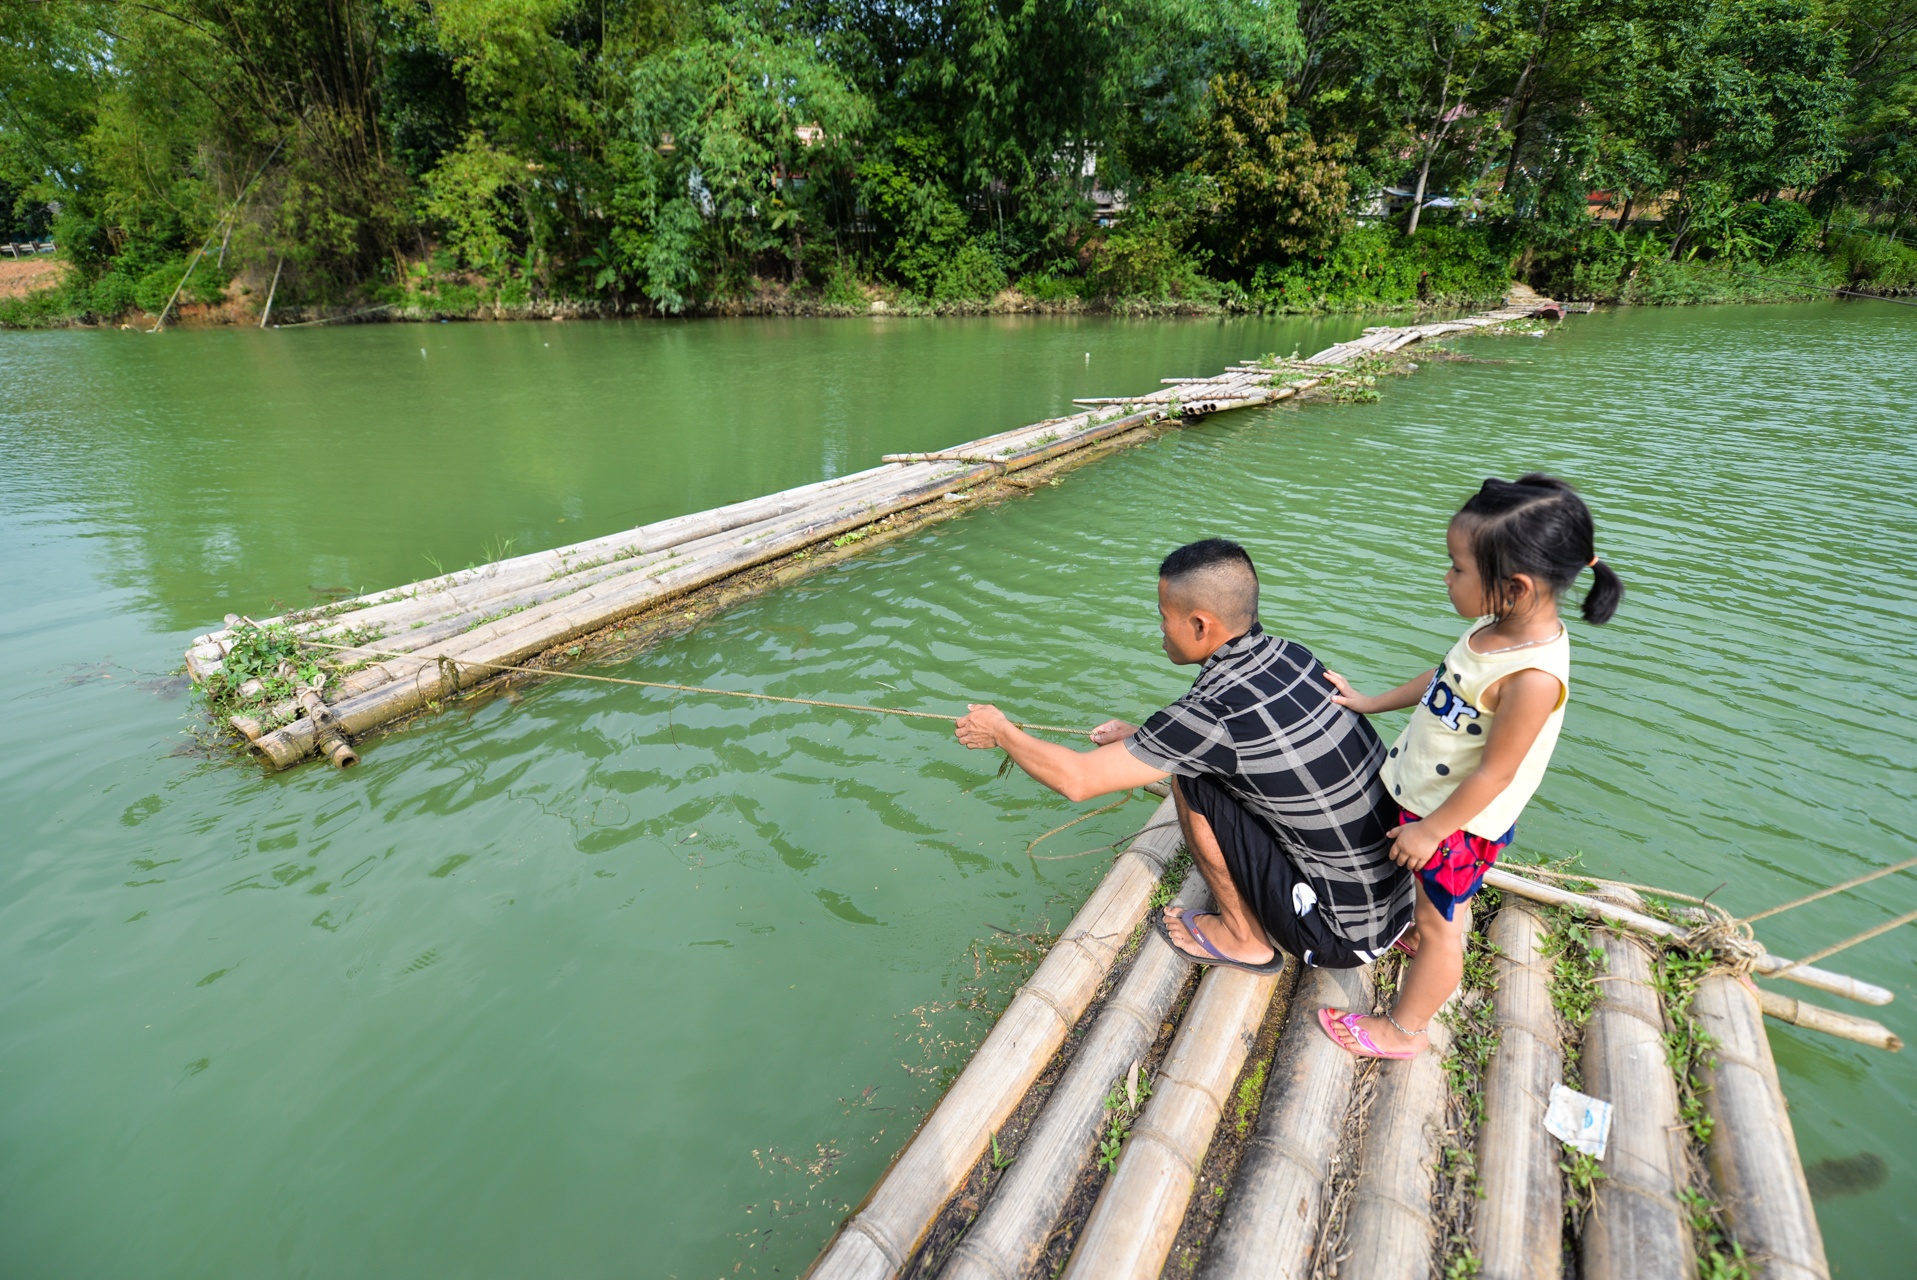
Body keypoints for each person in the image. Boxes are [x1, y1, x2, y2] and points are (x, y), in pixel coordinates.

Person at [954, 539, 1414, 973]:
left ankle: (1243, 939)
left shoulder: (1212, 714)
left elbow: (1077, 780)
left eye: (1163, 616)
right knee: (1190, 763)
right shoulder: (1291, 656)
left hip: (1340, 935)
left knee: (1190, 780)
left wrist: (1000, 730)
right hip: (1397, 899)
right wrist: (1143, 737)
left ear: (1199, 625)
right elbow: (1250, 743)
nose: (1159, 628)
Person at [1319, 474, 1624, 1059]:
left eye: (1457, 568)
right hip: (1427, 797)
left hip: (1456, 820)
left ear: (1513, 586)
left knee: (1441, 930)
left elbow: (1497, 774)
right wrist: (1368, 701)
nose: (1447, 577)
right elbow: (1443, 681)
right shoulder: (1495, 628)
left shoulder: (1533, 677)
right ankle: (1420, 925)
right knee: (1429, 902)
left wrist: (1433, 830)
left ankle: (1402, 1031)